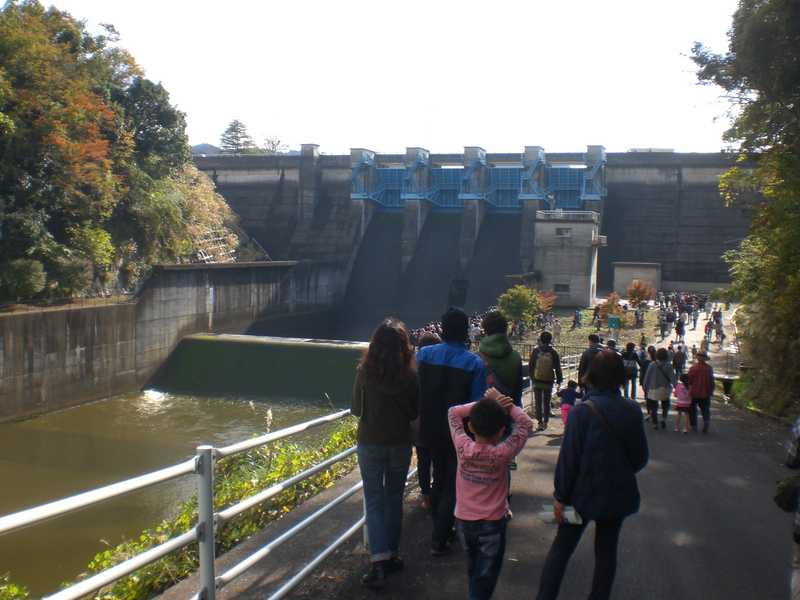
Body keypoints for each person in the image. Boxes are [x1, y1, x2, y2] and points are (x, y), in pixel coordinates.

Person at [536, 350, 649, 600]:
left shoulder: (581, 412)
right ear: (620, 377)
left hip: (579, 497)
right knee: (606, 553)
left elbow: (569, 460)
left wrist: (559, 496)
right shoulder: (631, 410)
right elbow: (640, 458)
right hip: (616, 496)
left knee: (562, 549)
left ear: (591, 376)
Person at [352, 319, 419, 588]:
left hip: (370, 442)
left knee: (375, 500)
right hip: (400, 443)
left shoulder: (364, 373)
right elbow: (415, 411)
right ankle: (392, 554)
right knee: (394, 498)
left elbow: (356, 409)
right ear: (403, 346)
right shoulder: (410, 376)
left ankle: (378, 561)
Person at [449, 389, 533, 600]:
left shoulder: (462, 446)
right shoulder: (503, 453)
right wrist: (506, 405)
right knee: (486, 575)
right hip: (493, 522)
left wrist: (485, 402)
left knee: (473, 567)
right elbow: (525, 424)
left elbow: (453, 412)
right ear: (501, 431)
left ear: (470, 427)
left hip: (463, 519)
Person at [417, 307, 488, 556]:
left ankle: (441, 527)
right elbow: (477, 403)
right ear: (465, 331)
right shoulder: (474, 363)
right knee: (451, 483)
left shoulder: (423, 355)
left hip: (427, 427)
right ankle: (440, 535)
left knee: (438, 477)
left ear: (443, 330)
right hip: (458, 433)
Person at [414, 331, 442, 510]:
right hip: (440, 424)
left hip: (420, 424)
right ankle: (438, 492)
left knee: (423, 461)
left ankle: (425, 496)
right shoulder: (443, 368)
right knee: (439, 460)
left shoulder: (414, 368)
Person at [479, 311, 524, 406]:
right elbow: (518, 393)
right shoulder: (515, 357)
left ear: (485, 330)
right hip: (507, 411)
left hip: (481, 414)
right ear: (505, 329)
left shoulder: (476, 358)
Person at [529, 331, 563, 431]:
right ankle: (546, 422)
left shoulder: (536, 351)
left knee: (538, 402)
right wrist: (559, 380)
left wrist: (533, 378)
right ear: (550, 340)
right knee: (547, 401)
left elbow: (531, 366)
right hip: (549, 380)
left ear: (541, 339)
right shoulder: (553, 351)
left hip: (537, 380)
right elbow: (557, 368)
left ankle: (539, 423)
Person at [642, 348, 677, 430]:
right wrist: (676, 387)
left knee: (653, 407)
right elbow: (672, 378)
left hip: (653, 388)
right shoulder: (669, 365)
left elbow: (647, 377)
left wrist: (645, 386)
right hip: (665, 389)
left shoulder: (652, 364)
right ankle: (664, 418)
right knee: (666, 404)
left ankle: (655, 423)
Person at [687, 350, 715, 433]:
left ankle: (694, 425)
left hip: (694, 392)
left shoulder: (693, 368)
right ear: (705, 359)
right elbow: (711, 381)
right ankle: (706, 421)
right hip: (706, 392)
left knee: (692, 409)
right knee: (705, 409)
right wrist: (711, 390)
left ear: (697, 358)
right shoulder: (709, 368)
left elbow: (689, 380)